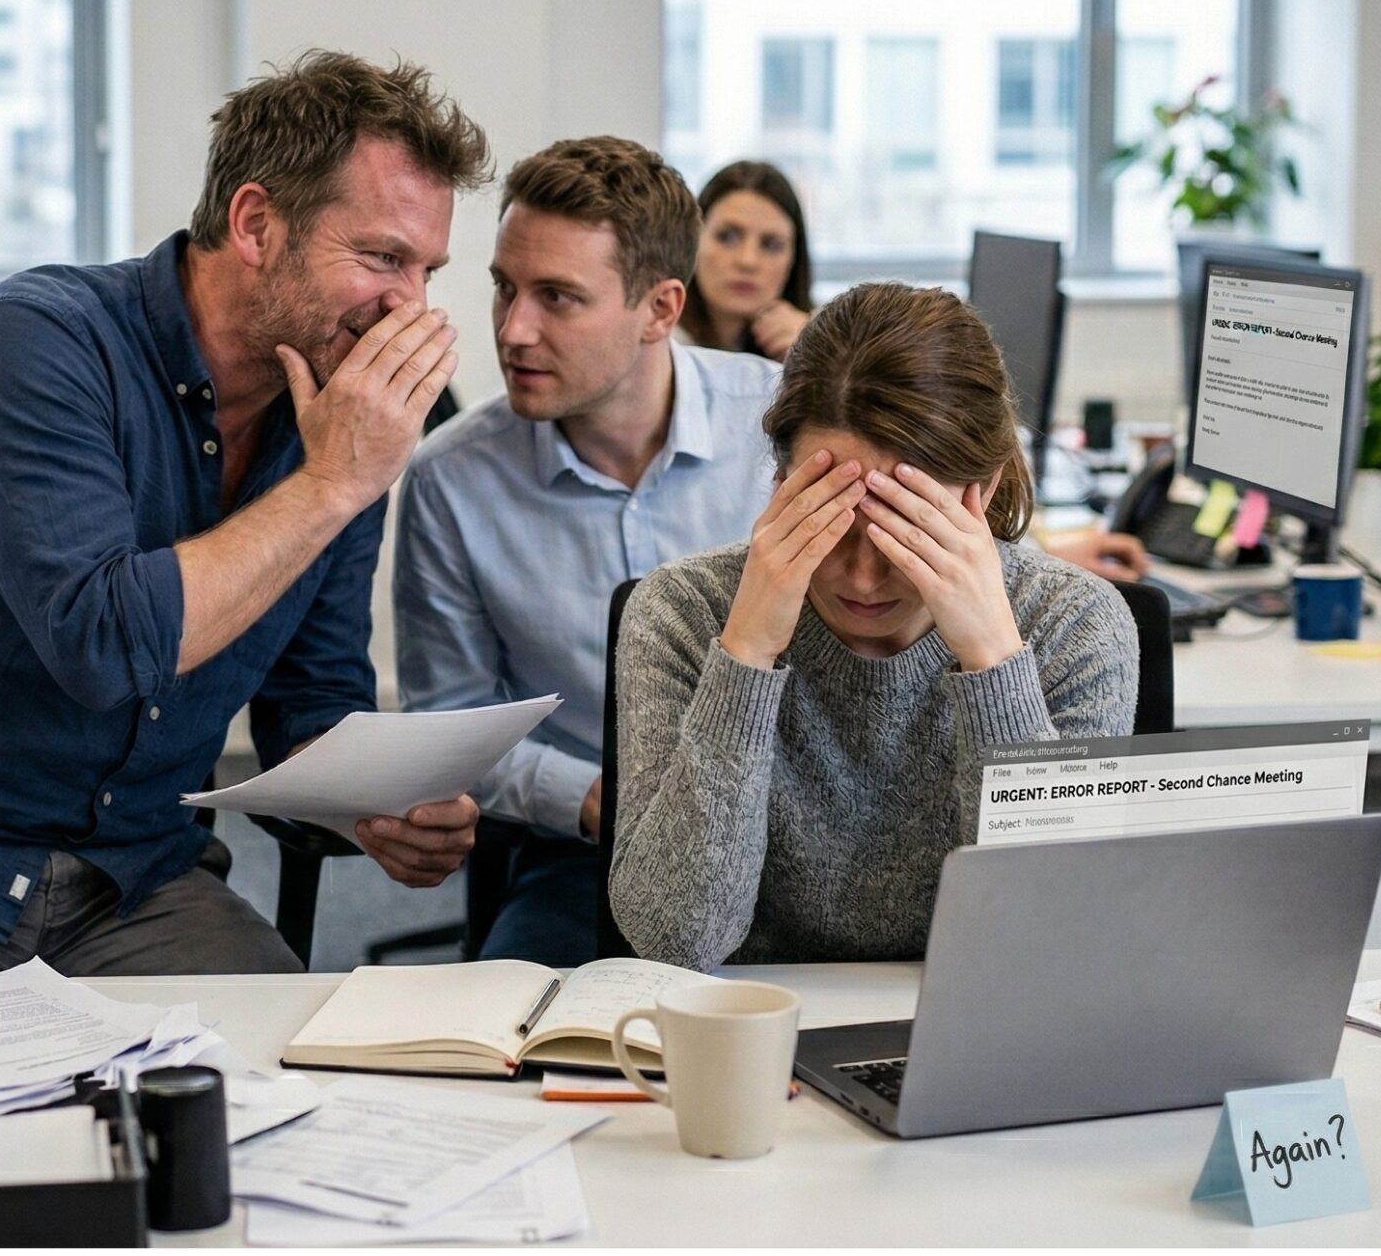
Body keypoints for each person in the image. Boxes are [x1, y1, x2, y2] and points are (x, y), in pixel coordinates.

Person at [0, 51, 495, 981]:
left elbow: (311, 706)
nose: (408, 305)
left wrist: (376, 803)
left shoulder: (332, 432)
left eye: (427, 269)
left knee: (300, 1104)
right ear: (257, 224)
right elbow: (103, 644)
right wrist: (336, 484)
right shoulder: (37, 339)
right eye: (382, 256)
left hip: (136, 885)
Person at [611, 281, 1139, 971]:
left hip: (976, 1031)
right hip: (753, 1030)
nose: (861, 578)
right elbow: (676, 940)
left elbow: (1055, 944)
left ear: (981, 490)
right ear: (781, 484)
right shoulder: (684, 613)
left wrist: (992, 660)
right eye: (831, 522)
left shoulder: (1072, 625)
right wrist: (746, 656)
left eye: (905, 531)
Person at [395, 136, 780, 967]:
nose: (514, 329)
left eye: (558, 297)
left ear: (661, 310)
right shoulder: (452, 481)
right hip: (587, 852)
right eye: (505, 288)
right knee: (521, 1040)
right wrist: (594, 798)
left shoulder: (780, 429)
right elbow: (448, 723)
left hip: (792, 832)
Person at [678, 160, 814, 360]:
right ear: (694, 239)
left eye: (771, 244)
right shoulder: (658, 347)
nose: (747, 261)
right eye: (727, 237)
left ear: (794, 258)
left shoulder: (817, 343)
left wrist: (815, 361)